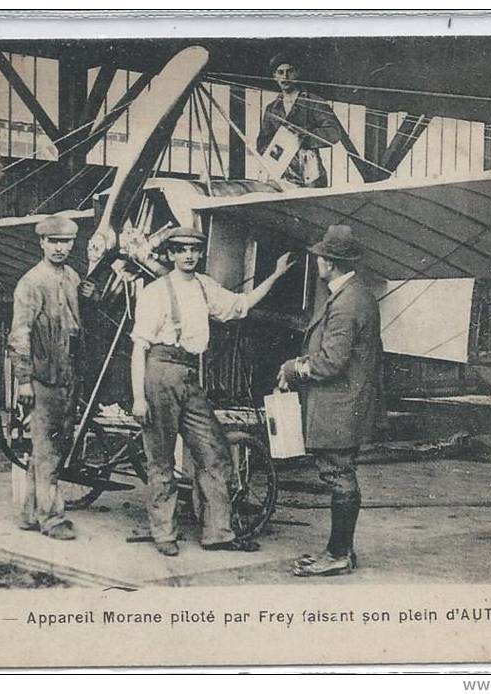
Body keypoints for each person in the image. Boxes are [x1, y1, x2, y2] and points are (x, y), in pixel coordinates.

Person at [130, 226, 295, 556]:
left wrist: (274, 276)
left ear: (200, 253)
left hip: (191, 375)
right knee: (160, 460)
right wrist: (138, 397)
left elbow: (240, 304)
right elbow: (139, 348)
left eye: (194, 250)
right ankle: (164, 533)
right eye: (181, 250)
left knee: (215, 452)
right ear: (171, 255)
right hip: (160, 372)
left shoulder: (205, 287)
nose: (189, 255)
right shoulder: (155, 291)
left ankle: (218, 532)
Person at [278, 224, 384, 577]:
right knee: (341, 474)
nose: (318, 262)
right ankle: (340, 550)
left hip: (340, 405)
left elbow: (331, 362)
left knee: (339, 475)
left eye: (321, 257)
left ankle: (338, 554)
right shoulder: (353, 294)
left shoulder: (347, 302)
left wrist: (293, 367)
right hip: (345, 402)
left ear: (330, 263)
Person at [7, 215, 87, 541]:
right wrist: (24, 380)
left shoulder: (72, 277)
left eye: (65, 242)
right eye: (53, 241)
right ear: (42, 243)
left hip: (67, 373)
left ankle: (29, 512)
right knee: (47, 448)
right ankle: (51, 519)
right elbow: (19, 334)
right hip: (43, 376)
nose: (59, 248)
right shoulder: (32, 282)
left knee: (51, 446)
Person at [256, 52, 343, 188]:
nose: (285, 77)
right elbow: (262, 142)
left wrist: (303, 137)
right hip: (281, 174)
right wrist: (276, 152)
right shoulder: (272, 108)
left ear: (298, 73)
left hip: (309, 173)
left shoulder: (314, 102)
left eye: (290, 71)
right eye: (280, 72)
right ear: (275, 77)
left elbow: (333, 133)